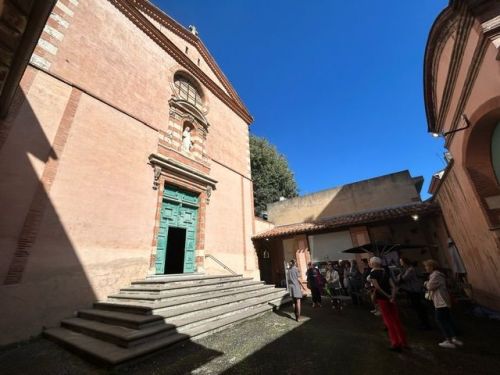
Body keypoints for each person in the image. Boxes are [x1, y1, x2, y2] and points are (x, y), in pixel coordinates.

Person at [369, 256, 408, 352]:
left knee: (388, 321)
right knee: (396, 320)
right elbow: (393, 286)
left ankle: (395, 343)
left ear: (374, 264)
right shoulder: (385, 271)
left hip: (383, 299)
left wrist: (387, 296)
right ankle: (404, 342)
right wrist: (392, 296)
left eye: (370, 262)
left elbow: (377, 288)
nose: (370, 264)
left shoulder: (373, 273)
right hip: (391, 298)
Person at [423, 259, 464, 349]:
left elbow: (430, 286)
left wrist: (425, 283)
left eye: (426, 266)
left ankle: (448, 340)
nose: (425, 268)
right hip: (444, 300)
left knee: (440, 320)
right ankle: (454, 338)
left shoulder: (435, 275)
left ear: (431, 267)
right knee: (447, 319)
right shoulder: (439, 274)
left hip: (440, 301)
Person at [397, 257, 431, 330]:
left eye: (401, 261)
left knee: (418, 307)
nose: (400, 263)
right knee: (417, 307)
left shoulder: (410, 270)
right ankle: (423, 322)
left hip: (414, 290)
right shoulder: (409, 269)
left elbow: (403, 279)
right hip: (413, 290)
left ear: (405, 262)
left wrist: (400, 275)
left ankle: (425, 324)